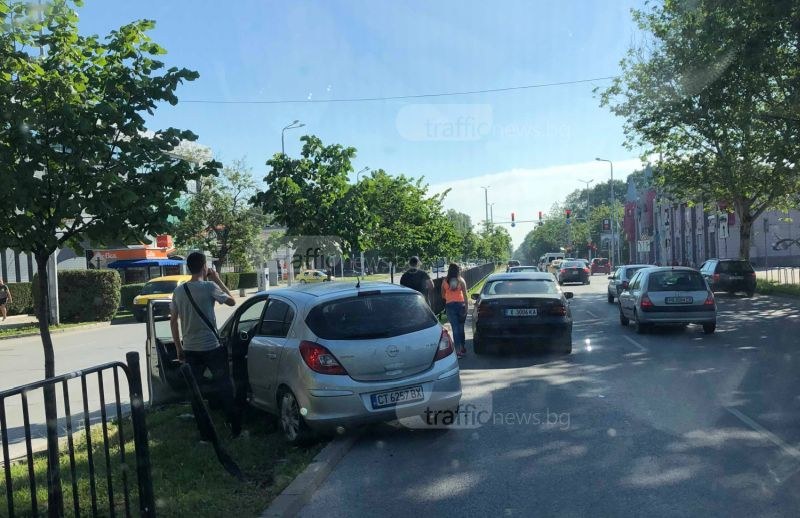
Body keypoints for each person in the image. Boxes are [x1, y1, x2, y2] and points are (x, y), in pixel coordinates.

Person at [170, 252, 241, 437]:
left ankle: (205, 434)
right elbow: (232, 302)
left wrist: (178, 348)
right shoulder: (209, 287)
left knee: (196, 393)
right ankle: (235, 429)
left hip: (190, 350)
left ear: (188, 268)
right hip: (212, 348)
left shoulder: (178, 291)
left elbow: (173, 321)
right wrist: (217, 279)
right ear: (204, 267)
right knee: (224, 386)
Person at [441, 263, 469, 358]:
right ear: (458, 270)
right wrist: (467, 307)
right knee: (461, 328)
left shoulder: (445, 281)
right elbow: (465, 294)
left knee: (455, 328)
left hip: (450, 306)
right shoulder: (461, 280)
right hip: (461, 305)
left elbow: (442, 295)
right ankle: (463, 347)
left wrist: (449, 297)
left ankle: (457, 351)